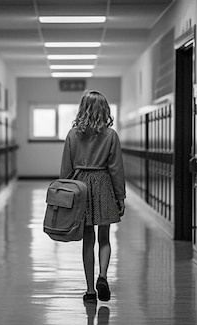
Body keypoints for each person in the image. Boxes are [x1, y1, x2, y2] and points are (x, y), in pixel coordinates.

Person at [60, 90, 126, 304]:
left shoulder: (73, 134)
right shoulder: (111, 135)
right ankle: (103, 276)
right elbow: (116, 169)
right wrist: (120, 197)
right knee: (104, 238)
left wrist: (65, 195)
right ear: (104, 110)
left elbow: (66, 169)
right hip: (104, 183)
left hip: (80, 186)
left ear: (83, 109)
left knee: (87, 239)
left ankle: (90, 291)